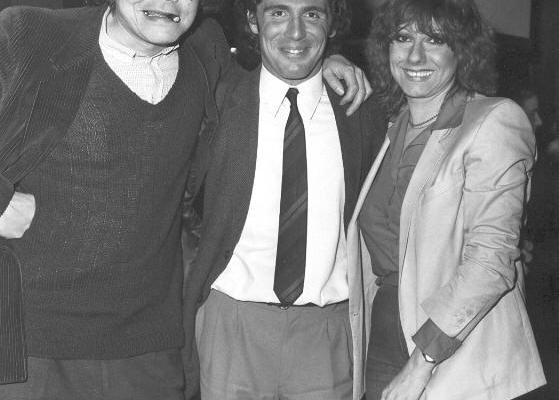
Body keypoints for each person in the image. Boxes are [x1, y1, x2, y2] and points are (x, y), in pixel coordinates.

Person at [0, 1, 371, 398]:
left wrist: (327, 59)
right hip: (31, 339)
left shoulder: (205, 49)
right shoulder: (30, 34)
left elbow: (278, 71)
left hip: (149, 346)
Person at [346, 0, 547, 399]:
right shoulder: (390, 127)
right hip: (383, 331)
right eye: (403, 38)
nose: (415, 56)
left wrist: (419, 365)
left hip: (459, 345)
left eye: (435, 40)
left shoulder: (493, 120)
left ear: (462, 50)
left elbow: (490, 262)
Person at [185, 0, 385, 399]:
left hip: (326, 334)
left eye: (312, 14)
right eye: (277, 12)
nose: (295, 32)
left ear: (331, 23)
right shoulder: (217, 101)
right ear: (252, 21)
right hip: (232, 324)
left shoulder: (362, 112)